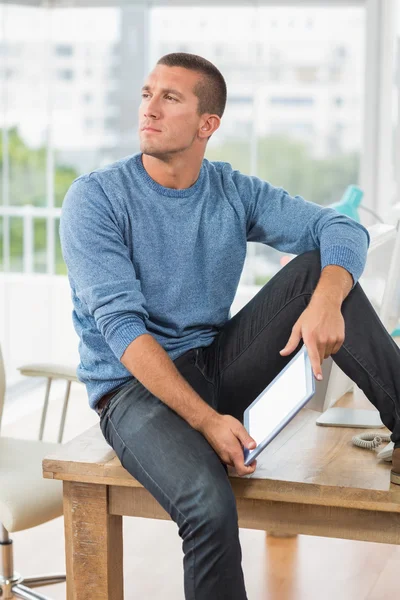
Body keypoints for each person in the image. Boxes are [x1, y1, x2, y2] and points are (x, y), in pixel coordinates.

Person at [60, 52, 400, 600]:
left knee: (320, 270)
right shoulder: (96, 198)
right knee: (208, 506)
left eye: (170, 97)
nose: (149, 108)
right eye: (147, 93)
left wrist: (326, 300)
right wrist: (207, 421)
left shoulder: (230, 190)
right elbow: (122, 330)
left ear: (207, 124)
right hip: (134, 392)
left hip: (215, 364)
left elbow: (340, 226)